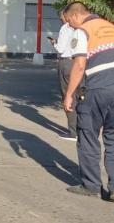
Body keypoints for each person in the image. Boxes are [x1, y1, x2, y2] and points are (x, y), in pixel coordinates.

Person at [62, 1, 114, 204]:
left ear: (75, 15)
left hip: (99, 89)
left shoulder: (82, 31)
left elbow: (79, 65)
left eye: (68, 22)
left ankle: (91, 185)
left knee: (88, 135)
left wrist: (69, 94)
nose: (69, 26)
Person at [49, 10, 78, 140]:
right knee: (78, 96)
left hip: (66, 62)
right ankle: (81, 129)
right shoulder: (79, 28)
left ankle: (73, 132)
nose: (61, 20)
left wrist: (54, 43)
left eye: (61, 17)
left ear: (66, 16)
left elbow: (61, 48)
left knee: (68, 96)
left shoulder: (65, 28)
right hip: (77, 62)